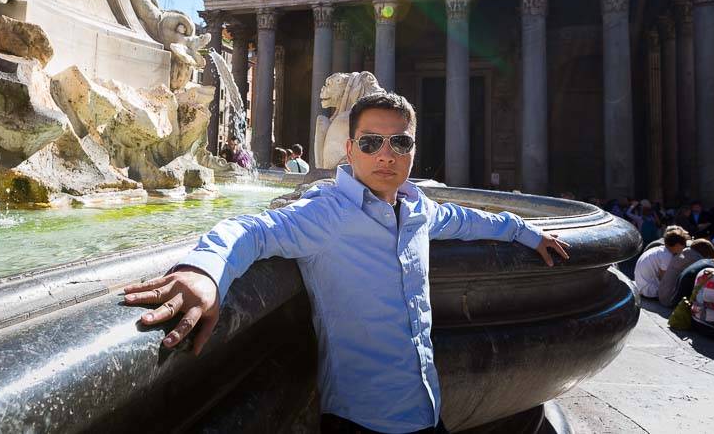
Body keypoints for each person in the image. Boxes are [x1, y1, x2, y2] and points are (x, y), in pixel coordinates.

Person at [122, 92, 570, 434]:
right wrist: (203, 271)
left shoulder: (418, 208)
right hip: (361, 422)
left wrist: (527, 232)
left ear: (414, 149)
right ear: (350, 150)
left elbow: (469, 221)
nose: (386, 154)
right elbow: (252, 230)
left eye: (400, 142)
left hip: (428, 409)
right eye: (372, 142)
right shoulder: (329, 212)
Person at [658, 238, 714, 308]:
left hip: (661, 294)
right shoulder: (698, 260)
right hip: (670, 300)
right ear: (707, 253)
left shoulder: (684, 252)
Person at [633, 227, 690, 298]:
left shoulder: (660, 250)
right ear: (677, 245)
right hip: (648, 290)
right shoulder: (666, 256)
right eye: (683, 245)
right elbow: (664, 278)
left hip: (641, 285)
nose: (683, 248)